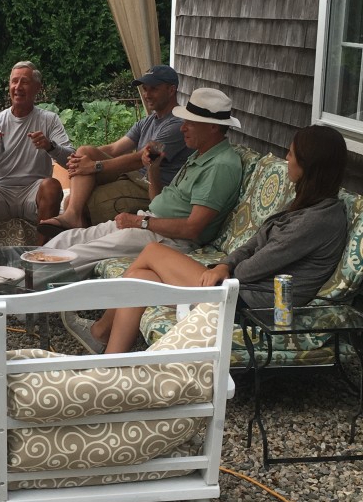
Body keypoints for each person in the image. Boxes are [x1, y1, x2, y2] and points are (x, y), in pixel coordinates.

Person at [64, 125, 349, 355]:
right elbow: (252, 244)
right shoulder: (305, 205)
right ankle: (110, 365)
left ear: (309, 164)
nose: (287, 159)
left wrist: (224, 270)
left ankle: (101, 336)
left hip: (251, 303)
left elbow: (255, 267)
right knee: (140, 276)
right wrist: (225, 264)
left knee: (152, 250)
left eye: (292, 154)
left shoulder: (319, 219)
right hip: (237, 285)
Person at [48, 88, 243, 292]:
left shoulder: (220, 166)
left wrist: (140, 222)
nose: (183, 128)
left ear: (212, 127)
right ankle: (22, 270)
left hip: (170, 239)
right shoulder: (200, 155)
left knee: (80, 253)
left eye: (190, 123)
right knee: (68, 238)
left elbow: (191, 229)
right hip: (151, 223)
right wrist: (153, 170)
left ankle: (28, 294)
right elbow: (157, 201)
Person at [38, 64, 191, 236]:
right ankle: (72, 217)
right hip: (132, 177)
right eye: (145, 89)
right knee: (84, 151)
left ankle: (74, 227)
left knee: (81, 205)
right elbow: (114, 148)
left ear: (171, 90)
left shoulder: (178, 125)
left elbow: (144, 157)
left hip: (151, 187)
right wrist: (74, 156)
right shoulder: (148, 121)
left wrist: (94, 166)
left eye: (154, 89)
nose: (147, 94)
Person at [0, 62, 74, 248]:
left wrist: (50, 146)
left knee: (52, 186)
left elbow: (71, 159)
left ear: (37, 88)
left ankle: (40, 253)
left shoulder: (48, 120)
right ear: (9, 86)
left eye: (24, 82)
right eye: (14, 81)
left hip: (34, 193)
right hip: (1, 192)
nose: (18, 87)